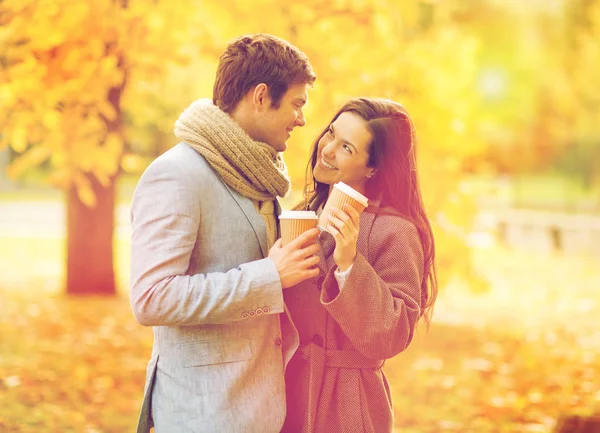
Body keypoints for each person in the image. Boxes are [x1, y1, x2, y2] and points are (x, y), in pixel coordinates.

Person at [129, 34, 319, 433]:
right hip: (202, 416)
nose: (302, 119)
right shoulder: (177, 174)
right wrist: (269, 277)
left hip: (266, 411)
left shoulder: (260, 175)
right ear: (262, 96)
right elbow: (151, 298)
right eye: (297, 104)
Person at [281, 98, 438, 433]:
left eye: (346, 148)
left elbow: (392, 336)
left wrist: (350, 263)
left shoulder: (395, 230)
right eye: (331, 135)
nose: (327, 150)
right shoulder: (305, 210)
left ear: (372, 168)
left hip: (348, 405)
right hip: (287, 391)